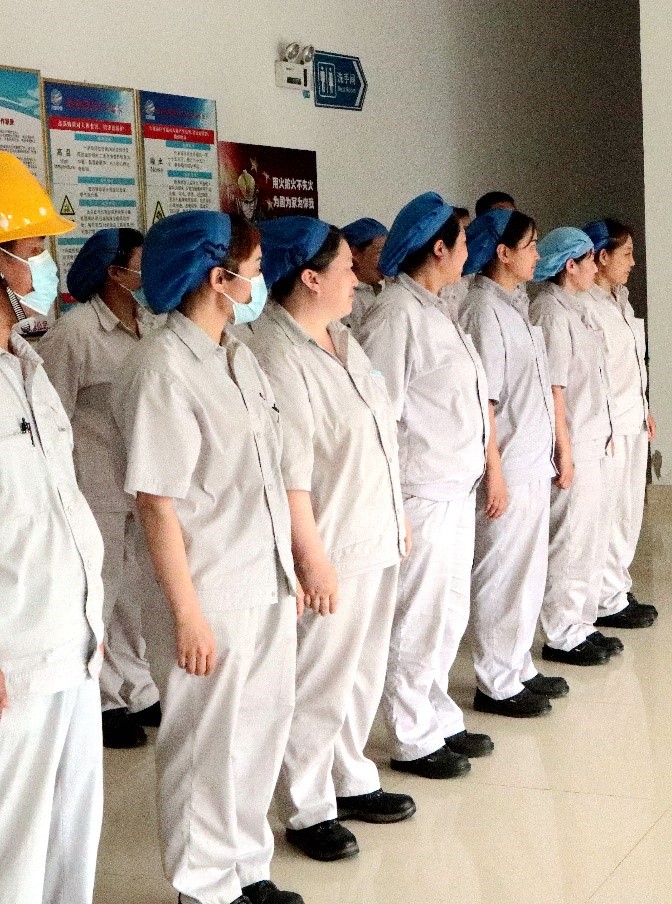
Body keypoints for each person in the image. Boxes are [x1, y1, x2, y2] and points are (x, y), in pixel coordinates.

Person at [111, 210, 304, 904]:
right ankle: (203, 886)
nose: (260, 281)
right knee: (204, 744)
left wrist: (292, 570)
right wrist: (187, 615)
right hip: (208, 589)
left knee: (258, 729)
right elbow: (156, 504)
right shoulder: (162, 368)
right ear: (219, 279)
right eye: (252, 270)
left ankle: (247, 868)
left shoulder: (236, 356)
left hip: (263, 577)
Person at [249, 217, 416, 863]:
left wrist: (397, 514)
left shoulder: (342, 337)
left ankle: (349, 776)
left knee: (361, 671)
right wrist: (311, 558)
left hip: (372, 532)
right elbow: (290, 472)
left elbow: (379, 435)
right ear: (310, 278)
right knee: (319, 680)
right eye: (347, 265)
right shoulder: (276, 353)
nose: (358, 276)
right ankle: (308, 805)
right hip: (331, 544)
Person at [355, 192, 495, 778]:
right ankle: (411, 734)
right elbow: (378, 414)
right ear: (439, 249)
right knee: (417, 618)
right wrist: (392, 504)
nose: (469, 253)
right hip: (421, 491)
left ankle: (437, 715)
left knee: (447, 613)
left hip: (454, 487)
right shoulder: (396, 316)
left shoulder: (436, 308)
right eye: (462, 243)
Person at [0, 151, 105, 904]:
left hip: (71, 637)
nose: (44, 264)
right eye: (33, 248)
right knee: (14, 839)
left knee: (71, 827)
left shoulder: (26, 365)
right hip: (13, 653)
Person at [40, 227, 163, 750]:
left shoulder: (151, 325)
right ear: (115, 273)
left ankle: (138, 687)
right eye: (141, 264)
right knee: (103, 596)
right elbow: (50, 416)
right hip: (95, 488)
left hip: (143, 486)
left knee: (138, 594)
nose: (151, 273)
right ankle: (105, 701)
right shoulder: (75, 334)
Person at [459, 209, 568, 717]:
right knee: (502, 574)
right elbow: (487, 400)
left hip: (530, 460)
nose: (538, 255)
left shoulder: (514, 305)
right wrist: (495, 472)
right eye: (530, 245)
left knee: (527, 571)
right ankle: (496, 681)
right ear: (502, 253)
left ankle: (518, 664)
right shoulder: (484, 310)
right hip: (508, 463)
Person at [530, 227, 626, 666]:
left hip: (595, 438)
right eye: (589, 260)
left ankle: (583, 624)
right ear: (570, 266)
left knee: (592, 538)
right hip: (575, 442)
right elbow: (554, 388)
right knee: (570, 541)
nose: (595, 267)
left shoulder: (577, 307)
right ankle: (562, 632)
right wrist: (563, 451)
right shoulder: (550, 312)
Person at [582, 219, 658, 629]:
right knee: (608, 515)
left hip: (633, 420)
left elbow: (631, 364)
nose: (632, 262)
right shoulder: (586, 307)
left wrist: (645, 408)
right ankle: (605, 600)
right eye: (626, 253)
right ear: (601, 256)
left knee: (628, 513)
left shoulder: (621, 301)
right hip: (609, 427)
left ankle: (616, 588)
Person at [341, 217, 387, 333]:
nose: (386, 260)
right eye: (380, 252)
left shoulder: (378, 290)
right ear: (354, 253)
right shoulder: (345, 298)